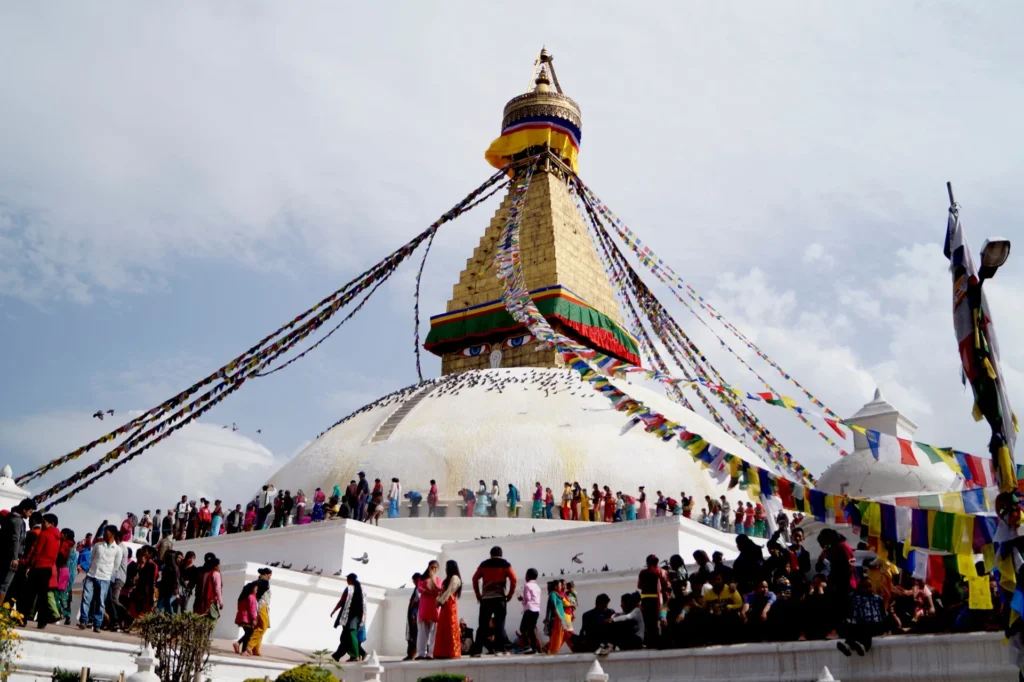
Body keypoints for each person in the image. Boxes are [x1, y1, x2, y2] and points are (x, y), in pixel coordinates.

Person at [470, 546, 517, 656]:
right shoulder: (505, 564)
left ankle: (477, 650)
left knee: (482, 624)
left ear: (490, 554)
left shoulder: (483, 564)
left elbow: (474, 578)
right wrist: (510, 594)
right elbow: (513, 579)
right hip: (500, 598)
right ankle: (499, 650)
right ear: (501, 554)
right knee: (500, 624)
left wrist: (478, 594)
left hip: (486, 599)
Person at [79, 525, 122, 632]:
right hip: (92, 575)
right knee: (86, 598)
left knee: (100, 602)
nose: (104, 534)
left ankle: (97, 624)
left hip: (105, 577)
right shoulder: (98, 545)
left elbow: (116, 565)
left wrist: (107, 572)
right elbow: (92, 558)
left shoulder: (117, 550)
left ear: (112, 534)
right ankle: (83, 620)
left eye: (106, 532)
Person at [24, 512, 61, 628]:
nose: (42, 524)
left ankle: (23, 618)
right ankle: (42, 621)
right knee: (43, 596)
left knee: (29, 594)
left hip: (38, 567)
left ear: (51, 523)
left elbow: (37, 551)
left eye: (44, 522)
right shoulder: (57, 538)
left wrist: (29, 565)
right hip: (48, 569)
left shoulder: (44, 534)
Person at [837, 578, 885, 656]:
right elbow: (855, 615)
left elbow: (882, 614)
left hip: (876, 625)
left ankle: (861, 647)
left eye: (869, 586)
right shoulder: (857, 599)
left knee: (865, 629)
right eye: (865, 587)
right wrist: (851, 626)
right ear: (861, 587)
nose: (868, 589)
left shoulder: (878, 599)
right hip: (862, 624)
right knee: (852, 628)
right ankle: (848, 646)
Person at [0, 498, 34, 606]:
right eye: (30, 512)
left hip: (3, 554)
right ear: (24, 510)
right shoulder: (18, 521)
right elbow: (16, 539)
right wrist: (15, 558)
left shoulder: (8, 518)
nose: (30, 515)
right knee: (4, 585)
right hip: (11, 557)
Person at [698, 572, 743, 644]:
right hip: (716, 618)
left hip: (728, 616)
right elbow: (703, 608)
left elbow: (740, 604)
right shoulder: (708, 594)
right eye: (714, 580)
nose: (716, 581)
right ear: (711, 582)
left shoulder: (730, 590)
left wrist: (730, 606)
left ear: (722, 580)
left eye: (718, 579)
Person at [637, 554, 670, 648]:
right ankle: (659, 641)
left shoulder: (642, 572)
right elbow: (666, 585)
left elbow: (639, 586)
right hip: (657, 599)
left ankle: (650, 642)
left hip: (645, 600)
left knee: (648, 622)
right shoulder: (662, 572)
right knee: (658, 620)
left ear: (647, 563)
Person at [331, 573, 366, 662]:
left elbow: (342, 601)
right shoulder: (362, 589)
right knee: (345, 637)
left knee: (350, 635)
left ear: (350, 580)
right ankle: (337, 655)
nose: (346, 581)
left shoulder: (349, 589)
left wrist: (334, 610)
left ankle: (355, 656)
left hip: (349, 616)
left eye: (347, 579)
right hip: (358, 616)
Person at [434, 560, 463, 659]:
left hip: (450, 606)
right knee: (443, 628)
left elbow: (449, 592)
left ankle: (451, 652)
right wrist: (438, 600)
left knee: (450, 629)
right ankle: (441, 652)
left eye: (447, 567)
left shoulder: (455, 578)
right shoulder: (447, 579)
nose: (445, 569)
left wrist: (440, 601)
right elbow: (442, 592)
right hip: (444, 607)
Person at [417, 560, 442, 659]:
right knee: (422, 632)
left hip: (434, 608)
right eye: (432, 567)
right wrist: (429, 591)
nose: (434, 569)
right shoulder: (422, 579)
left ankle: (431, 653)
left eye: (436, 567)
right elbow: (420, 589)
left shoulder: (438, 580)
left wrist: (433, 579)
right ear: (428, 567)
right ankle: (421, 653)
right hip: (424, 607)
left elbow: (438, 590)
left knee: (433, 632)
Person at [127, 546, 158, 622]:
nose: (143, 552)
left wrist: (149, 594)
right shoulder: (145, 564)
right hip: (141, 589)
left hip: (146, 591)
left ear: (150, 554)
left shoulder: (152, 565)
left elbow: (151, 581)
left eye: (144, 551)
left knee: (144, 609)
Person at [246, 574, 272, 656]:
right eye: (268, 575)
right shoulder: (262, 583)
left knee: (261, 627)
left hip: (265, 607)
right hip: (261, 605)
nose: (270, 577)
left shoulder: (264, 583)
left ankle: (256, 649)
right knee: (262, 627)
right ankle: (250, 646)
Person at [517, 568, 542, 654]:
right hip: (536, 610)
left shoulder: (527, 585)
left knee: (522, 628)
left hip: (529, 609)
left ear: (527, 576)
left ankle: (527, 646)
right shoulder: (538, 587)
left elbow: (527, 599)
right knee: (531, 630)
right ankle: (534, 648)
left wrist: (521, 599)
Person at [545, 579, 573, 653]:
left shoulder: (559, 595)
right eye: (560, 585)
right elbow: (554, 607)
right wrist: (560, 617)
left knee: (561, 635)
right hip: (559, 618)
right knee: (557, 636)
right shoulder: (553, 594)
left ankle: (553, 650)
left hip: (562, 618)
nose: (561, 587)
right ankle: (552, 650)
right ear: (555, 586)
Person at [56, 529, 78, 625]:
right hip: (72, 574)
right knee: (66, 594)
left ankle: (63, 614)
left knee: (61, 594)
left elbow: (63, 558)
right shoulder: (74, 546)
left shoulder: (66, 544)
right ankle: (67, 616)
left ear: (65, 535)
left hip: (64, 572)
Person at [233, 581, 259, 655]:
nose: (257, 589)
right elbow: (252, 610)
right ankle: (242, 648)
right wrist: (254, 619)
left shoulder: (243, 597)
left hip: (242, 616)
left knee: (248, 633)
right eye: (255, 588)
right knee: (249, 633)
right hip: (247, 618)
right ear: (252, 589)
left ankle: (239, 645)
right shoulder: (251, 597)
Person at [404, 573, 421, 661]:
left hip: (415, 615)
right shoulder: (418, 588)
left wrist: (413, 613)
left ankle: (412, 653)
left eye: (415, 580)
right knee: (413, 635)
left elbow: (417, 599)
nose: (414, 582)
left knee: (413, 635)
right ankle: (411, 653)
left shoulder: (419, 588)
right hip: (414, 615)